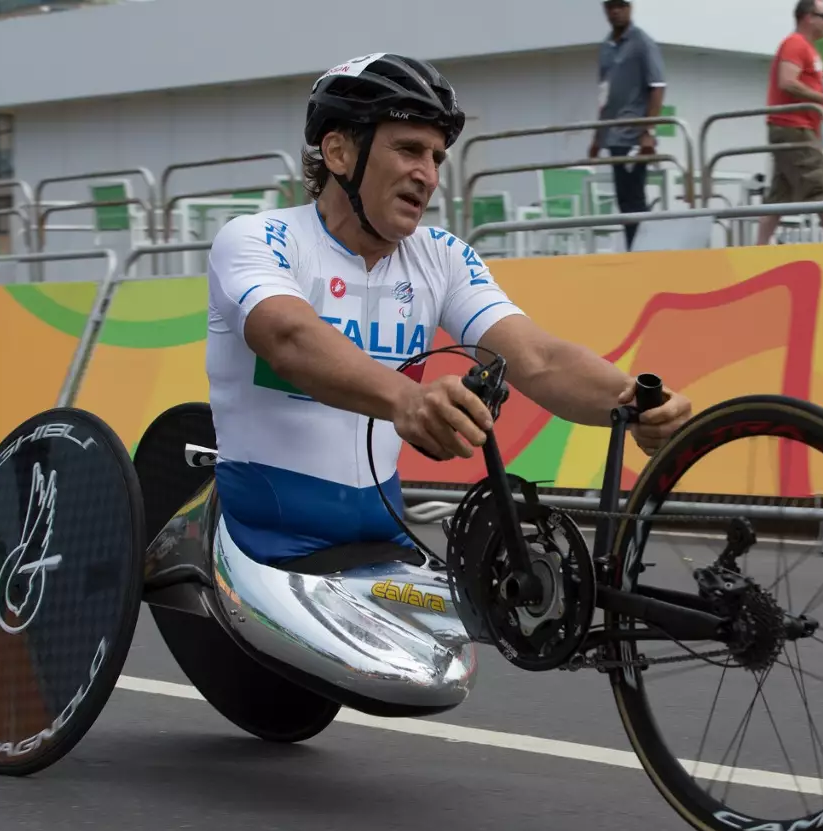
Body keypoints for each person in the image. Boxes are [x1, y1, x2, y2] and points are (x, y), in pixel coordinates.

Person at [205, 52, 692, 568]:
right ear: (339, 151)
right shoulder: (257, 237)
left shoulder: (441, 255)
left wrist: (633, 404)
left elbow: (539, 358)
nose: (429, 175)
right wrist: (406, 399)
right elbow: (288, 338)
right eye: (410, 149)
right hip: (264, 546)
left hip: (382, 541)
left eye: (437, 157)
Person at [755, 0, 823, 245]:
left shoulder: (807, 49)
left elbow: (799, 87)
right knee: (820, 189)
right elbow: (787, 82)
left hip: (796, 126)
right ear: (808, 17)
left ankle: (756, 251)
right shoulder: (795, 44)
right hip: (793, 127)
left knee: (779, 197)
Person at [588, 0, 667, 251]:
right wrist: (597, 137)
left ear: (630, 8)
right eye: (611, 7)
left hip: (634, 136)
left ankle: (645, 252)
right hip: (614, 136)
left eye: (621, 6)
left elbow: (657, 87)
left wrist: (648, 131)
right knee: (624, 201)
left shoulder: (642, 43)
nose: (616, 11)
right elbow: (605, 96)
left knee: (635, 198)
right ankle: (636, 249)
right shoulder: (606, 48)